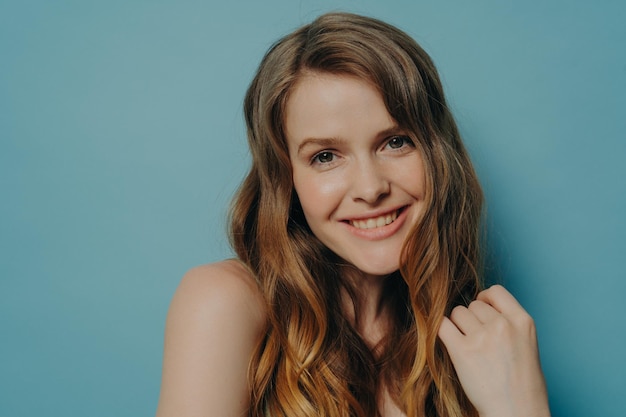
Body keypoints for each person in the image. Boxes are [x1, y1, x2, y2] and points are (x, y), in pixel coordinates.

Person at [155, 12, 551, 417]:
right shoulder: (226, 301)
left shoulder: (474, 341)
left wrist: (522, 406)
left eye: (396, 142)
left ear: (437, 156)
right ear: (285, 179)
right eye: (325, 156)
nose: (370, 188)